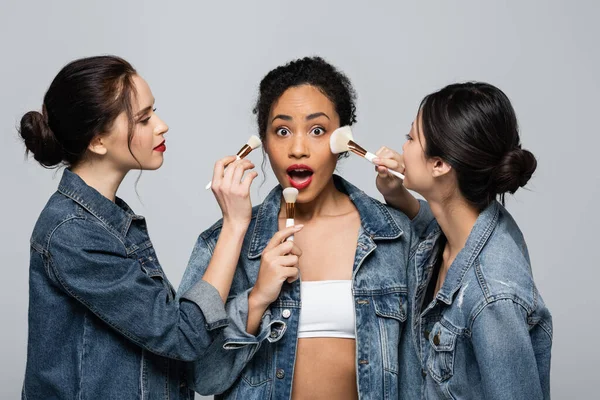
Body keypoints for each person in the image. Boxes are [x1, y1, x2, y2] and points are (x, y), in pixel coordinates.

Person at [178, 56, 426, 399]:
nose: (298, 148)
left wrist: (404, 197)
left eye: (317, 130)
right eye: (282, 131)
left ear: (343, 142)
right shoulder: (221, 244)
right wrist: (257, 299)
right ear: (264, 143)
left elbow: (419, 372)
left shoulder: (395, 237)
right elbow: (199, 378)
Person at [19, 55, 256, 399]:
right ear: (98, 141)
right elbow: (183, 334)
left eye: (153, 112)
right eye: (143, 119)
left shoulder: (107, 220)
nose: (162, 125)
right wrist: (234, 225)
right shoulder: (73, 234)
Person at [374, 82, 552, 399]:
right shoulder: (464, 227)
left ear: (440, 164)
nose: (403, 148)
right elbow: (435, 221)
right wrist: (397, 195)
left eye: (410, 138)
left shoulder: (493, 296)